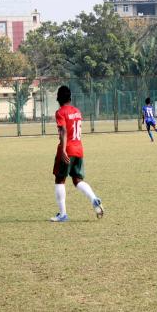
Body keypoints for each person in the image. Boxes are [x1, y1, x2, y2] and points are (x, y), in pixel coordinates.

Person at [50, 85, 104, 222]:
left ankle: (63, 214)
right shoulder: (77, 111)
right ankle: (94, 199)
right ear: (70, 98)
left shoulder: (60, 112)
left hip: (67, 149)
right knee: (77, 180)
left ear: (58, 98)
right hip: (79, 148)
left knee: (59, 180)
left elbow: (63, 131)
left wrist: (62, 150)